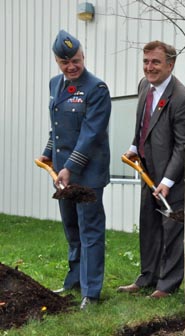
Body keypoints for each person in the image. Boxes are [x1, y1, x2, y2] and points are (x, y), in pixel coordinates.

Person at [117, 40, 185, 298]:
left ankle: (167, 284)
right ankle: (147, 277)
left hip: (177, 176)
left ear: (170, 64)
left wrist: (167, 181)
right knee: (150, 225)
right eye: (145, 61)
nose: (149, 67)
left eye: (155, 62)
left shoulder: (182, 97)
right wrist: (134, 146)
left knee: (172, 229)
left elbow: (183, 145)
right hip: (148, 171)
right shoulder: (145, 86)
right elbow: (143, 124)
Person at [38, 30, 112, 310]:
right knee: (71, 227)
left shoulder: (97, 89)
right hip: (62, 173)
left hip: (87, 174)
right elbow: (58, 127)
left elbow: (91, 133)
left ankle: (91, 292)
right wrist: (48, 153)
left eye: (75, 61)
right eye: (64, 61)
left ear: (83, 56)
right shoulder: (54, 84)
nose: (71, 67)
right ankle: (74, 281)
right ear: (57, 61)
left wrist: (69, 167)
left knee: (90, 229)